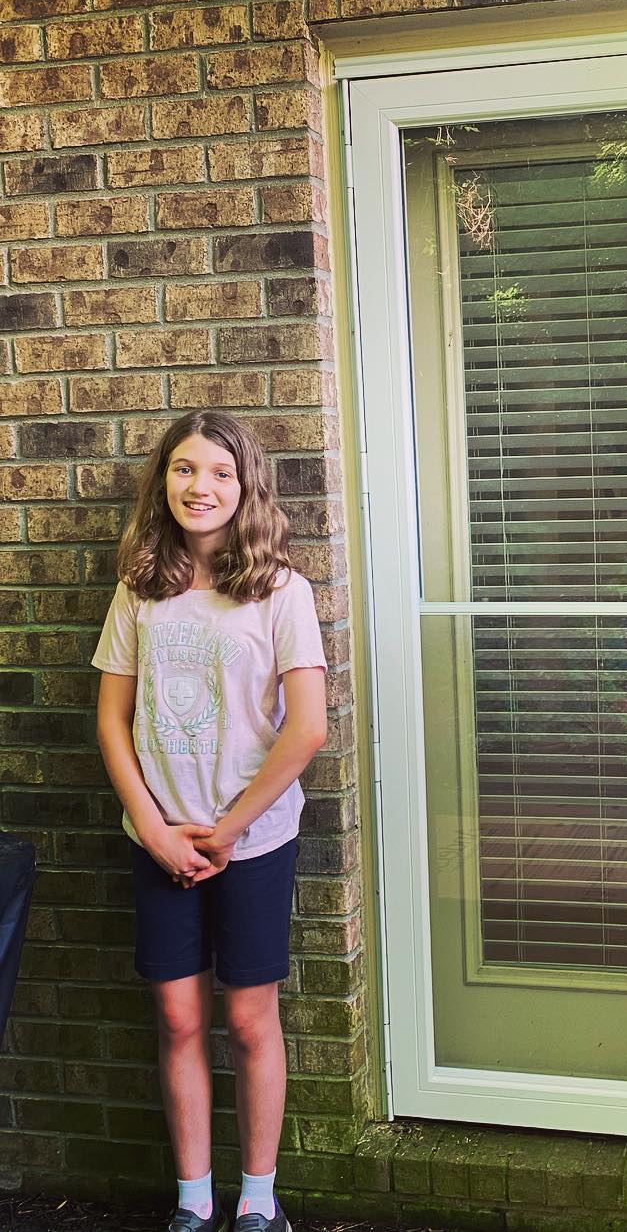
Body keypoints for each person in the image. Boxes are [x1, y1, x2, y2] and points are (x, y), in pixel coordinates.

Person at [94, 411, 328, 1232]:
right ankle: (194, 1201)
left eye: (220, 473)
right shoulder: (140, 590)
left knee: (246, 1019)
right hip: (159, 840)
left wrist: (227, 830)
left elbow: (307, 728)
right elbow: (111, 723)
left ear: (247, 485)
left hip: (254, 841)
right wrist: (153, 828)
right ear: (164, 482)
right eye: (186, 470)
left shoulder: (280, 592)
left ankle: (259, 1200)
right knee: (180, 1016)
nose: (202, 487)